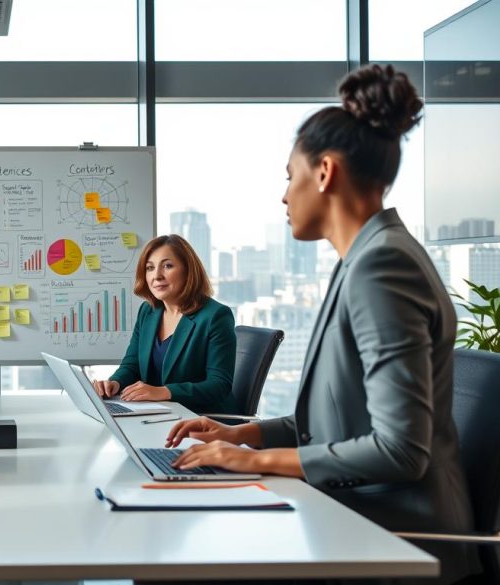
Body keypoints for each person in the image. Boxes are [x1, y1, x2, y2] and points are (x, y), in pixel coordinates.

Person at [166, 65, 478, 584]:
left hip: (398, 539)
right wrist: (243, 434)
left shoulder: (382, 266)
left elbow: (399, 449)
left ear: (326, 172)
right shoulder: (366, 258)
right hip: (359, 522)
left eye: (291, 176)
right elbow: (335, 425)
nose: (284, 195)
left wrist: (254, 463)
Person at [92, 234, 237, 414]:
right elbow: (132, 365)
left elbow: (219, 385)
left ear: (188, 270)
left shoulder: (215, 316)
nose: (157, 276)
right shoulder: (148, 311)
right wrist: (115, 383)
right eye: (150, 268)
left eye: (167, 266)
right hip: (157, 415)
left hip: (202, 419)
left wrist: (163, 392)